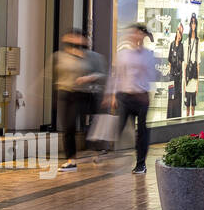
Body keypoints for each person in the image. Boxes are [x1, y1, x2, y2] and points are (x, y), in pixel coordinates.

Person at [52, 30, 105, 171]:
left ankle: (96, 149)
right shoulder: (60, 56)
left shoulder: (92, 57)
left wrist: (89, 78)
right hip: (64, 93)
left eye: (78, 38)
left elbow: (102, 74)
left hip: (83, 94)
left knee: (87, 126)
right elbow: (53, 74)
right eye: (71, 37)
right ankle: (71, 160)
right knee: (68, 127)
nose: (74, 41)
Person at [110, 24, 156, 174]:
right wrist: (112, 95)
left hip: (141, 97)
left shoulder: (148, 55)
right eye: (134, 33)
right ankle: (107, 153)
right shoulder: (123, 54)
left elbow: (151, 76)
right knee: (119, 126)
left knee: (141, 131)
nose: (135, 36)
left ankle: (141, 163)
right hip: (124, 96)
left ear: (143, 36)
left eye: (139, 34)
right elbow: (117, 75)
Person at [166, 23, 184, 119]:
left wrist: (179, 66)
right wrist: (170, 71)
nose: (179, 36)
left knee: (177, 94)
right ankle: (170, 114)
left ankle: (177, 114)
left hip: (179, 74)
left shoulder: (181, 46)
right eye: (177, 34)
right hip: (172, 73)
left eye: (180, 35)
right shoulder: (172, 44)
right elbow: (169, 58)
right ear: (176, 35)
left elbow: (182, 59)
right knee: (171, 94)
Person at [184, 15, 200, 116]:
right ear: (190, 24)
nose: (193, 24)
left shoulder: (198, 41)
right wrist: (184, 80)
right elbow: (185, 61)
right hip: (188, 71)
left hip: (194, 71)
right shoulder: (187, 41)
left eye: (194, 23)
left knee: (193, 96)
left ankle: (193, 116)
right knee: (187, 95)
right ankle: (187, 114)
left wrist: (198, 82)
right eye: (192, 23)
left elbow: (198, 61)